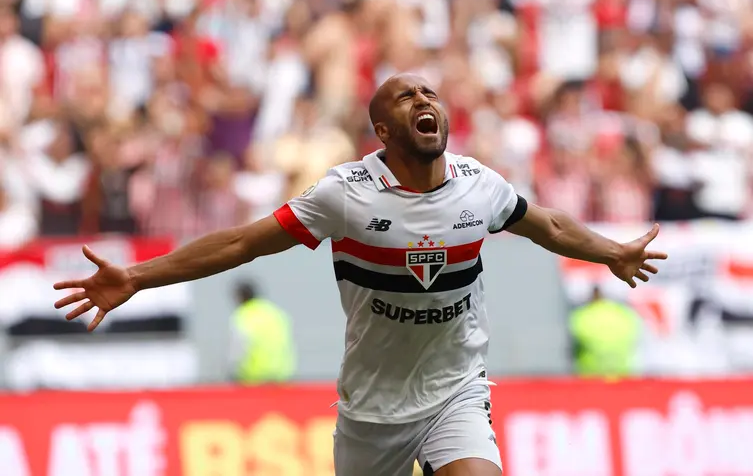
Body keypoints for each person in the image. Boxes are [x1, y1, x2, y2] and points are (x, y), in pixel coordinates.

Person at [53, 74, 668, 476]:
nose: (424, 101)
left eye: (429, 93)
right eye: (406, 98)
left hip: (455, 389)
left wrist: (611, 251)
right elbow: (242, 241)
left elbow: (551, 228)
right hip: (372, 412)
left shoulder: (479, 185)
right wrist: (137, 276)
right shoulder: (344, 195)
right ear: (382, 131)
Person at [229, 281, 296, 384]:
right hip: (282, 379)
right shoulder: (275, 312)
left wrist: (233, 374)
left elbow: (238, 349)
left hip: (254, 380)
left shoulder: (244, 315)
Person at [569, 286, 642, 378]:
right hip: (623, 373)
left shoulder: (581, 316)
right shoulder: (623, 313)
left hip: (591, 376)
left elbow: (573, 342)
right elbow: (634, 337)